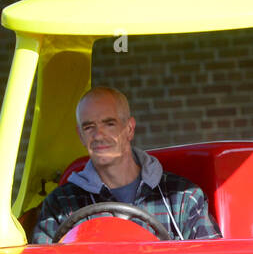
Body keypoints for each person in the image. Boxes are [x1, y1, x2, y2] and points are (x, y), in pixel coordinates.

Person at [30, 86, 221, 244]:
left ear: (129, 129)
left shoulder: (183, 198)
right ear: (80, 135)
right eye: (89, 127)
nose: (98, 135)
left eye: (109, 124)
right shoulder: (60, 205)